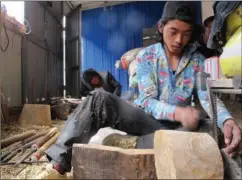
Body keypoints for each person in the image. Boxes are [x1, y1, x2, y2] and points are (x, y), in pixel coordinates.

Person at [45, 1, 241, 175]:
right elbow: (146, 101)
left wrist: (227, 120)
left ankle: (137, 143)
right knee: (98, 99)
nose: (179, 40)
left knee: (209, 132)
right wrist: (178, 113)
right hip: (146, 121)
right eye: (173, 31)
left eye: (186, 34)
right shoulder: (147, 56)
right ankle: (60, 159)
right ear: (161, 27)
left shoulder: (197, 60)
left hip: (180, 129)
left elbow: (207, 97)